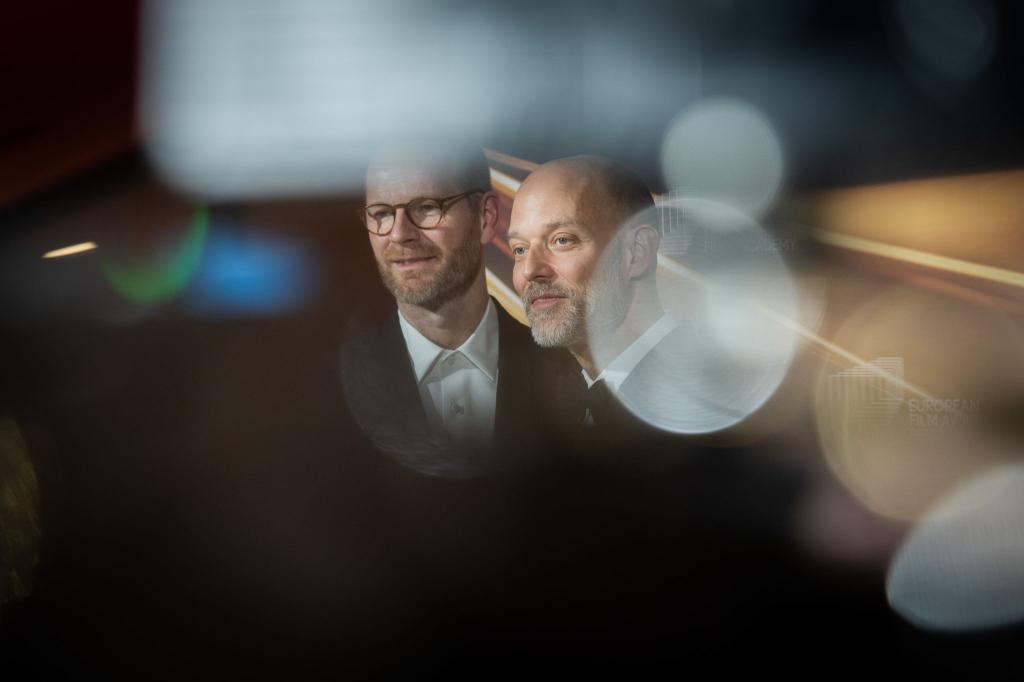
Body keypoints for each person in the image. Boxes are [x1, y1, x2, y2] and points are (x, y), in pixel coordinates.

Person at [339, 144, 565, 478]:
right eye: (382, 214)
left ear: (486, 218)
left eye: (427, 208)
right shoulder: (330, 385)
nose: (399, 235)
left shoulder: (565, 375)